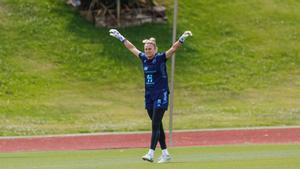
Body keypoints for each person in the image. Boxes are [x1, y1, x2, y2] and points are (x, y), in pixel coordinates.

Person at [109, 29, 192, 163]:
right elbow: (131, 47)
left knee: (155, 124)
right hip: (149, 96)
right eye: (146, 49)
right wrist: (120, 37)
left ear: (155, 49)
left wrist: (182, 38)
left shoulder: (160, 58)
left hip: (161, 94)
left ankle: (150, 153)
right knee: (157, 125)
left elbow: (173, 49)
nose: (147, 51)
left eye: (149, 49)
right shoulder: (143, 58)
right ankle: (165, 154)